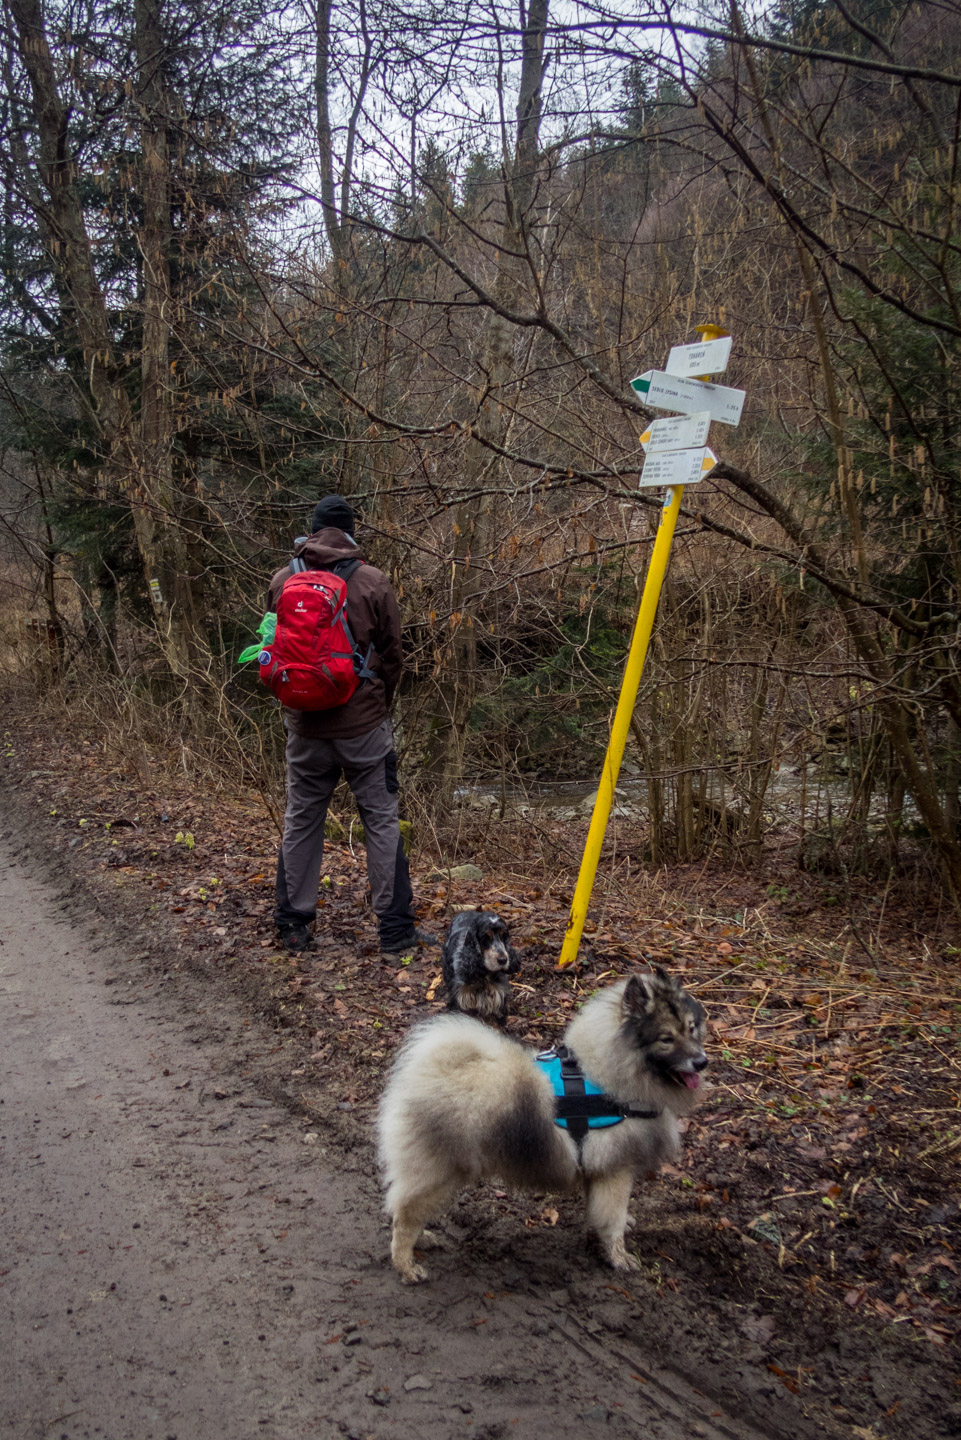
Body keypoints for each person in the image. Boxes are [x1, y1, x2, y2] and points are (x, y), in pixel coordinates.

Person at [268, 495, 434, 959]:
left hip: (304, 727)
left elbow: (271, 646)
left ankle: (294, 927)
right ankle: (395, 931)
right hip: (364, 728)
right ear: (351, 532)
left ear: (313, 528)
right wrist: (382, 704)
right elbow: (394, 655)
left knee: (302, 820)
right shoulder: (372, 581)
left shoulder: (283, 579)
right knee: (380, 822)